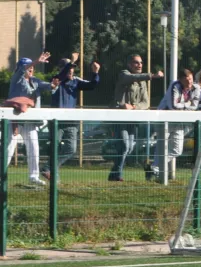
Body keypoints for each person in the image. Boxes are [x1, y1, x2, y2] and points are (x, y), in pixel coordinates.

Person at [40, 53, 100, 181]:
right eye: (69, 69)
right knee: (54, 147)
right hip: (56, 121)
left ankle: (47, 168)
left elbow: (92, 85)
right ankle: (54, 177)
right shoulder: (56, 80)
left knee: (71, 149)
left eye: (72, 69)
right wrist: (72, 61)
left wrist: (95, 73)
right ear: (62, 68)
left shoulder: (76, 81)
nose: (71, 72)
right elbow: (61, 76)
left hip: (71, 122)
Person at [6, 52, 60, 186]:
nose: (30, 69)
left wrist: (53, 85)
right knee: (8, 149)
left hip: (30, 122)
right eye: (27, 66)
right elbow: (22, 69)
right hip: (15, 121)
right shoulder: (16, 79)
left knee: (34, 149)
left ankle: (33, 176)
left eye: (32, 67)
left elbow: (49, 86)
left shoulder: (35, 80)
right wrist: (36, 61)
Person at [109, 54, 163, 181]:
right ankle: (117, 175)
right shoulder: (124, 74)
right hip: (119, 117)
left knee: (130, 147)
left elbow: (146, 103)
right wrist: (152, 76)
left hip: (133, 119)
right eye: (136, 63)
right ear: (129, 64)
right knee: (124, 145)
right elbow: (130, 77)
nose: (139, 65)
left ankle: (114, 173)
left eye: (141, 63)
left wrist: (133, 107)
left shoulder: (142, 82)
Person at [146, 69, 201, 181]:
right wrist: (187, 104)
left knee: (177, 150)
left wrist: (185, 106)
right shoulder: (174, 86)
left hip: (179, 121)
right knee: (161, 147)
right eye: (186, 81)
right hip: (164, 119)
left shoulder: (196, 88)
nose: (189, 83)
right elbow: (173, 106)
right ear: (180, 80)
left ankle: (153, 167)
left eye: (190, 79)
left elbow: (195, 106)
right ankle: (156, 172)